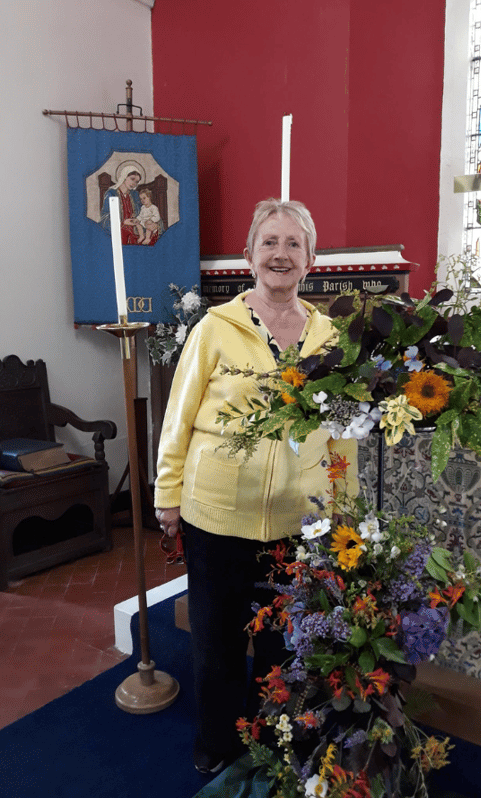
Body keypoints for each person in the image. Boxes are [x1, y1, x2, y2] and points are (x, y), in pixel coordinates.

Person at [154, 199, 358, 777]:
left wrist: (343, 510)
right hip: (217, 516)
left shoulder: (331, 337)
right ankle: (218, 743)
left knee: (281, 645)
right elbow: (179, 417)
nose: (280, 254)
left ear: (311, 260)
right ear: (248, 256)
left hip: (300, 520)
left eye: (294, 244)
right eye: (270, 242)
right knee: (216, 644)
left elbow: (342, 435)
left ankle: (270, 737)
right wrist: (167, 495)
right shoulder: (214, 328)